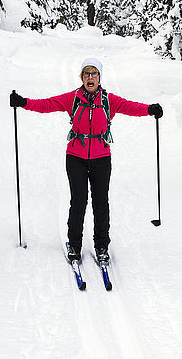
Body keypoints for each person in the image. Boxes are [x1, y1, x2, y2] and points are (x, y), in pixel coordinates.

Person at [10, 57, 163, 266]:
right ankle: (74, 245)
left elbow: (130, 106)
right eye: (86, 74)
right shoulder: (72, 98)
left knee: (101, 203)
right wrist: (23, 102)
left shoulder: (109, 100)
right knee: (78, 201)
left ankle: (102, 247)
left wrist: (149, 109)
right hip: (75, 157)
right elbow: (47, 104)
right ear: (81, 77)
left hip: (102, 158)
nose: (90, 78)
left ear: (100, 77)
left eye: (94, 74)